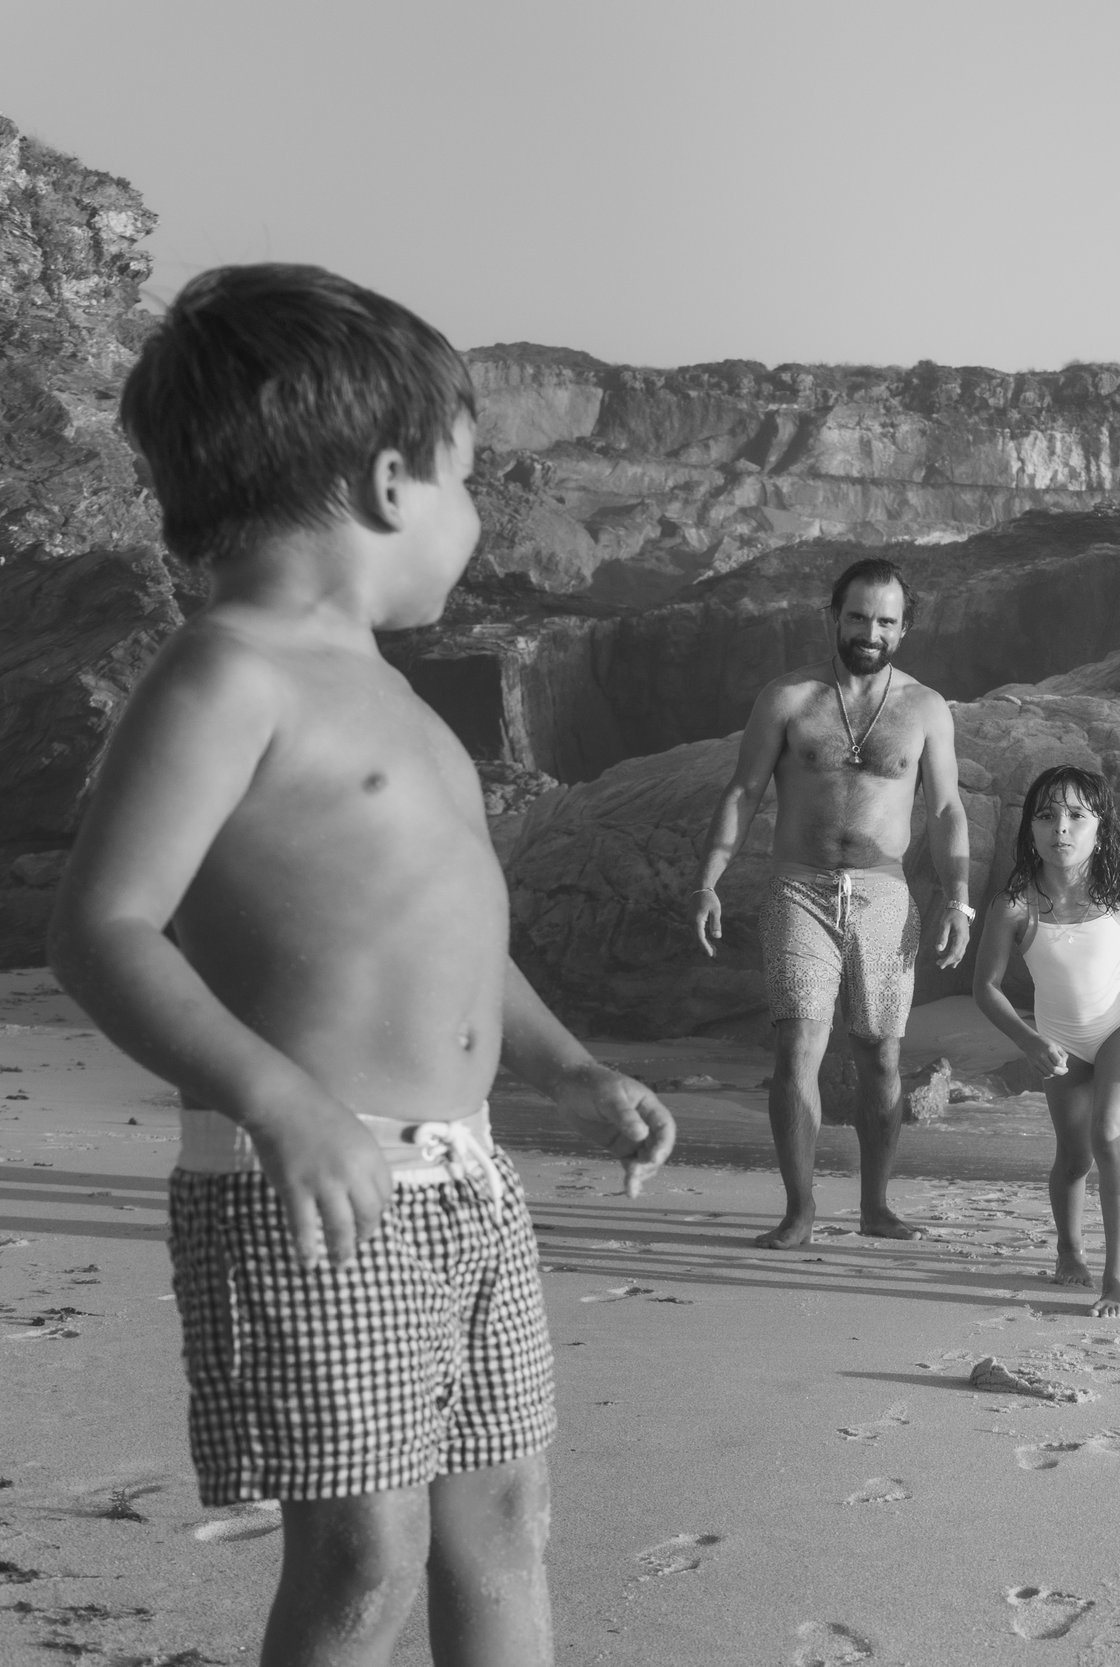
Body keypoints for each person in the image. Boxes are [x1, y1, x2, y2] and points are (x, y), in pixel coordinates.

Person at [47, 264, 677, 1667]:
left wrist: (568, 1065)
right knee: (362, 1556)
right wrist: (281, 1100)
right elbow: (101, 929)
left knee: (506, 1505)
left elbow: (448, 939)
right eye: (472, 481)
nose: (476, 516)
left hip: (467, 1178)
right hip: (314, 1187)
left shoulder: (395, 692)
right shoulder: (227, 675)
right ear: (390, 484)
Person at [691, 555, 973, 1248]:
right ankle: (800, 1210)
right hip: (799, 890)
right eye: (857, 616)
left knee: (880, 1052)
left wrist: (960, 899)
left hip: (885, 896)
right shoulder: (787, 699)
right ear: (832, 616)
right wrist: (709, 878)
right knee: (797, 1048)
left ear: (903, 628)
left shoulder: (926, 708)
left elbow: (944, 811)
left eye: (885, 620)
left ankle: (876, 1204)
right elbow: (742, 792)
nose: (869, 630)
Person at [971, 766, 1120, 1317]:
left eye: (1078, 816)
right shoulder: (1014, 905)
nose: (1061, 829)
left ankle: (1118, 1276)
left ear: (1102, 827)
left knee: (1109, 1132)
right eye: (1047, 816)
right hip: (1056, 1040)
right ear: (1029, 830)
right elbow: (984, 989)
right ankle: (1070, 1248)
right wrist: (1028, 1041)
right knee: (1074, 1157)